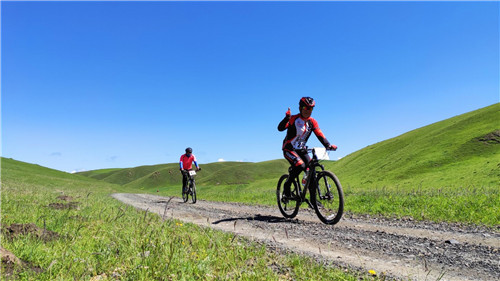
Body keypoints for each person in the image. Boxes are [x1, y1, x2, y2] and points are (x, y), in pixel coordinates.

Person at [277, 97, 337, 198]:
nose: (307, 110)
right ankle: (287, 185)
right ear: (300, 107)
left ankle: (313, 201)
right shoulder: (293, 119)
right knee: (300, 165)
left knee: (311, 171)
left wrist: (328, 145)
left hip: (301, 150)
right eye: (305, 107)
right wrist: (286, 119)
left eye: (310, 109)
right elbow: (280, 128)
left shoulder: (312, 122)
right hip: (289, 149)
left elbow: (319, 134)